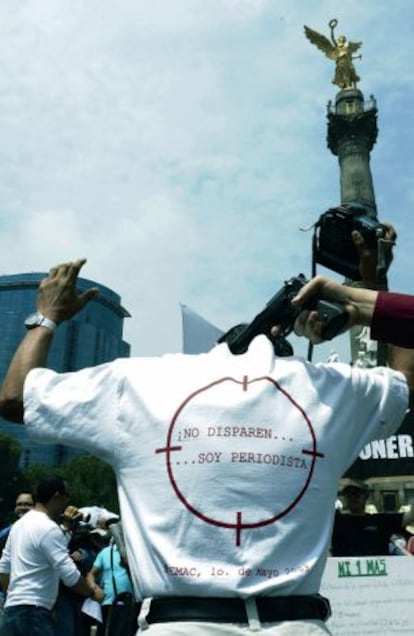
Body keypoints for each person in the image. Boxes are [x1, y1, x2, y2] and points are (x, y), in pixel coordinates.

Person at [0, 251, 412, 636]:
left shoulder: (143, 384)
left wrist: (47, 316)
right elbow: (404, 379)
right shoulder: (325, 390)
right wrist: (370, 290)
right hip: (298, 624)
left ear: (211, 352)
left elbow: (15, 398)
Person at [0, 475, 103, 636]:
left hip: (11, 612)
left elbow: (4, 568)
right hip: (35, 612)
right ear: (57, 496)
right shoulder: (49, 528)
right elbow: (70, 575)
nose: (66, 503)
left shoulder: (18, 526)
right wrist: (92, 592)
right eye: (66, 497)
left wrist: (12, 595)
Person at [331, 479, 413, 557]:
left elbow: (409, 517)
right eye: (349, 494)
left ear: (366, 496)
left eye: (357, 494)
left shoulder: (380, 521)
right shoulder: (336, 522)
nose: (353, 498)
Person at [87, 537, 136, 636]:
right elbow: (91, 574)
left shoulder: (135, 551)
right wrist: (95, 588)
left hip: (132, 604)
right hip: (110, 604)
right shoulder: (106, 552)